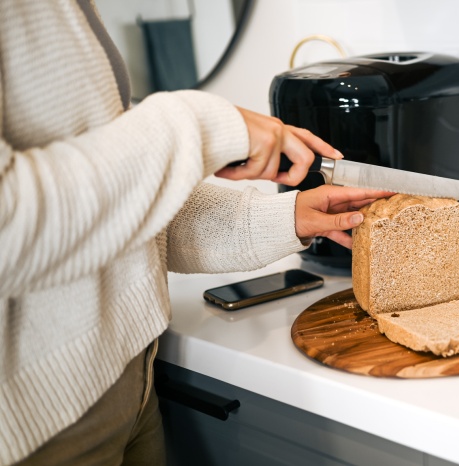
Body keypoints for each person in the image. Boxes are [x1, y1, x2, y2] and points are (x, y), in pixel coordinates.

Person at [0, 2, 391, 464]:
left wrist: (283, 218)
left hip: (131, 378)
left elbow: (121, 210)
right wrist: (195, 124)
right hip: (38, 428)